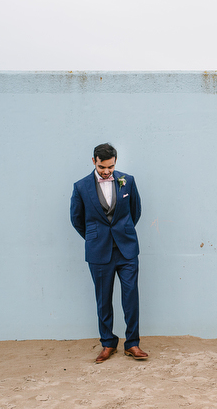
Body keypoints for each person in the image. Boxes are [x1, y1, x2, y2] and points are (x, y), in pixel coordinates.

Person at [70, 143, 148, 363]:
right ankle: (108, 343)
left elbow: (136, 211)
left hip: (127, 249)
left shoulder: (128, 181)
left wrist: (122, 232)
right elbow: (76, 219)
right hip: (99, 251)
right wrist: (95, 238)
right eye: (103, 167)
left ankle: (132, 343)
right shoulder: (81, 186)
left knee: (131, 296)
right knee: (103, 300)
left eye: (111, 167)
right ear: (94, 160)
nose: (107, 171)